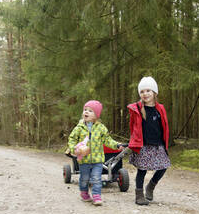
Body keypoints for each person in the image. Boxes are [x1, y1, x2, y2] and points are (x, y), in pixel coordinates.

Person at [68, 100, 122, 206]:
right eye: (85, 110)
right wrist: (74, 148)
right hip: (84, 160)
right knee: (84, 178)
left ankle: (96, 195)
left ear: (96, 115)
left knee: (96, 178)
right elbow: (72, 139)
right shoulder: (79, 128)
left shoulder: (101, 128)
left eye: (90, 111)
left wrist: (116, 145)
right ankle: (84, 192)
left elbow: (107, 140)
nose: (86, 112)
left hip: (97, 160)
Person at [127, 76, 170, 205]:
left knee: (163, 166)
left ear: (154, 93)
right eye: (142, 91)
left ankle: (150, 186)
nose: (145, 94)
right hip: (143, 145)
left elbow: (165, 126)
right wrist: (133, 143)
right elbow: (133, 127)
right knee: (142, 170)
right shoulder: (138, 109)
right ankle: (139, 195)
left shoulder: (160, 109)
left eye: (148, 91)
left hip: (158, 145)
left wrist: (165, 143)